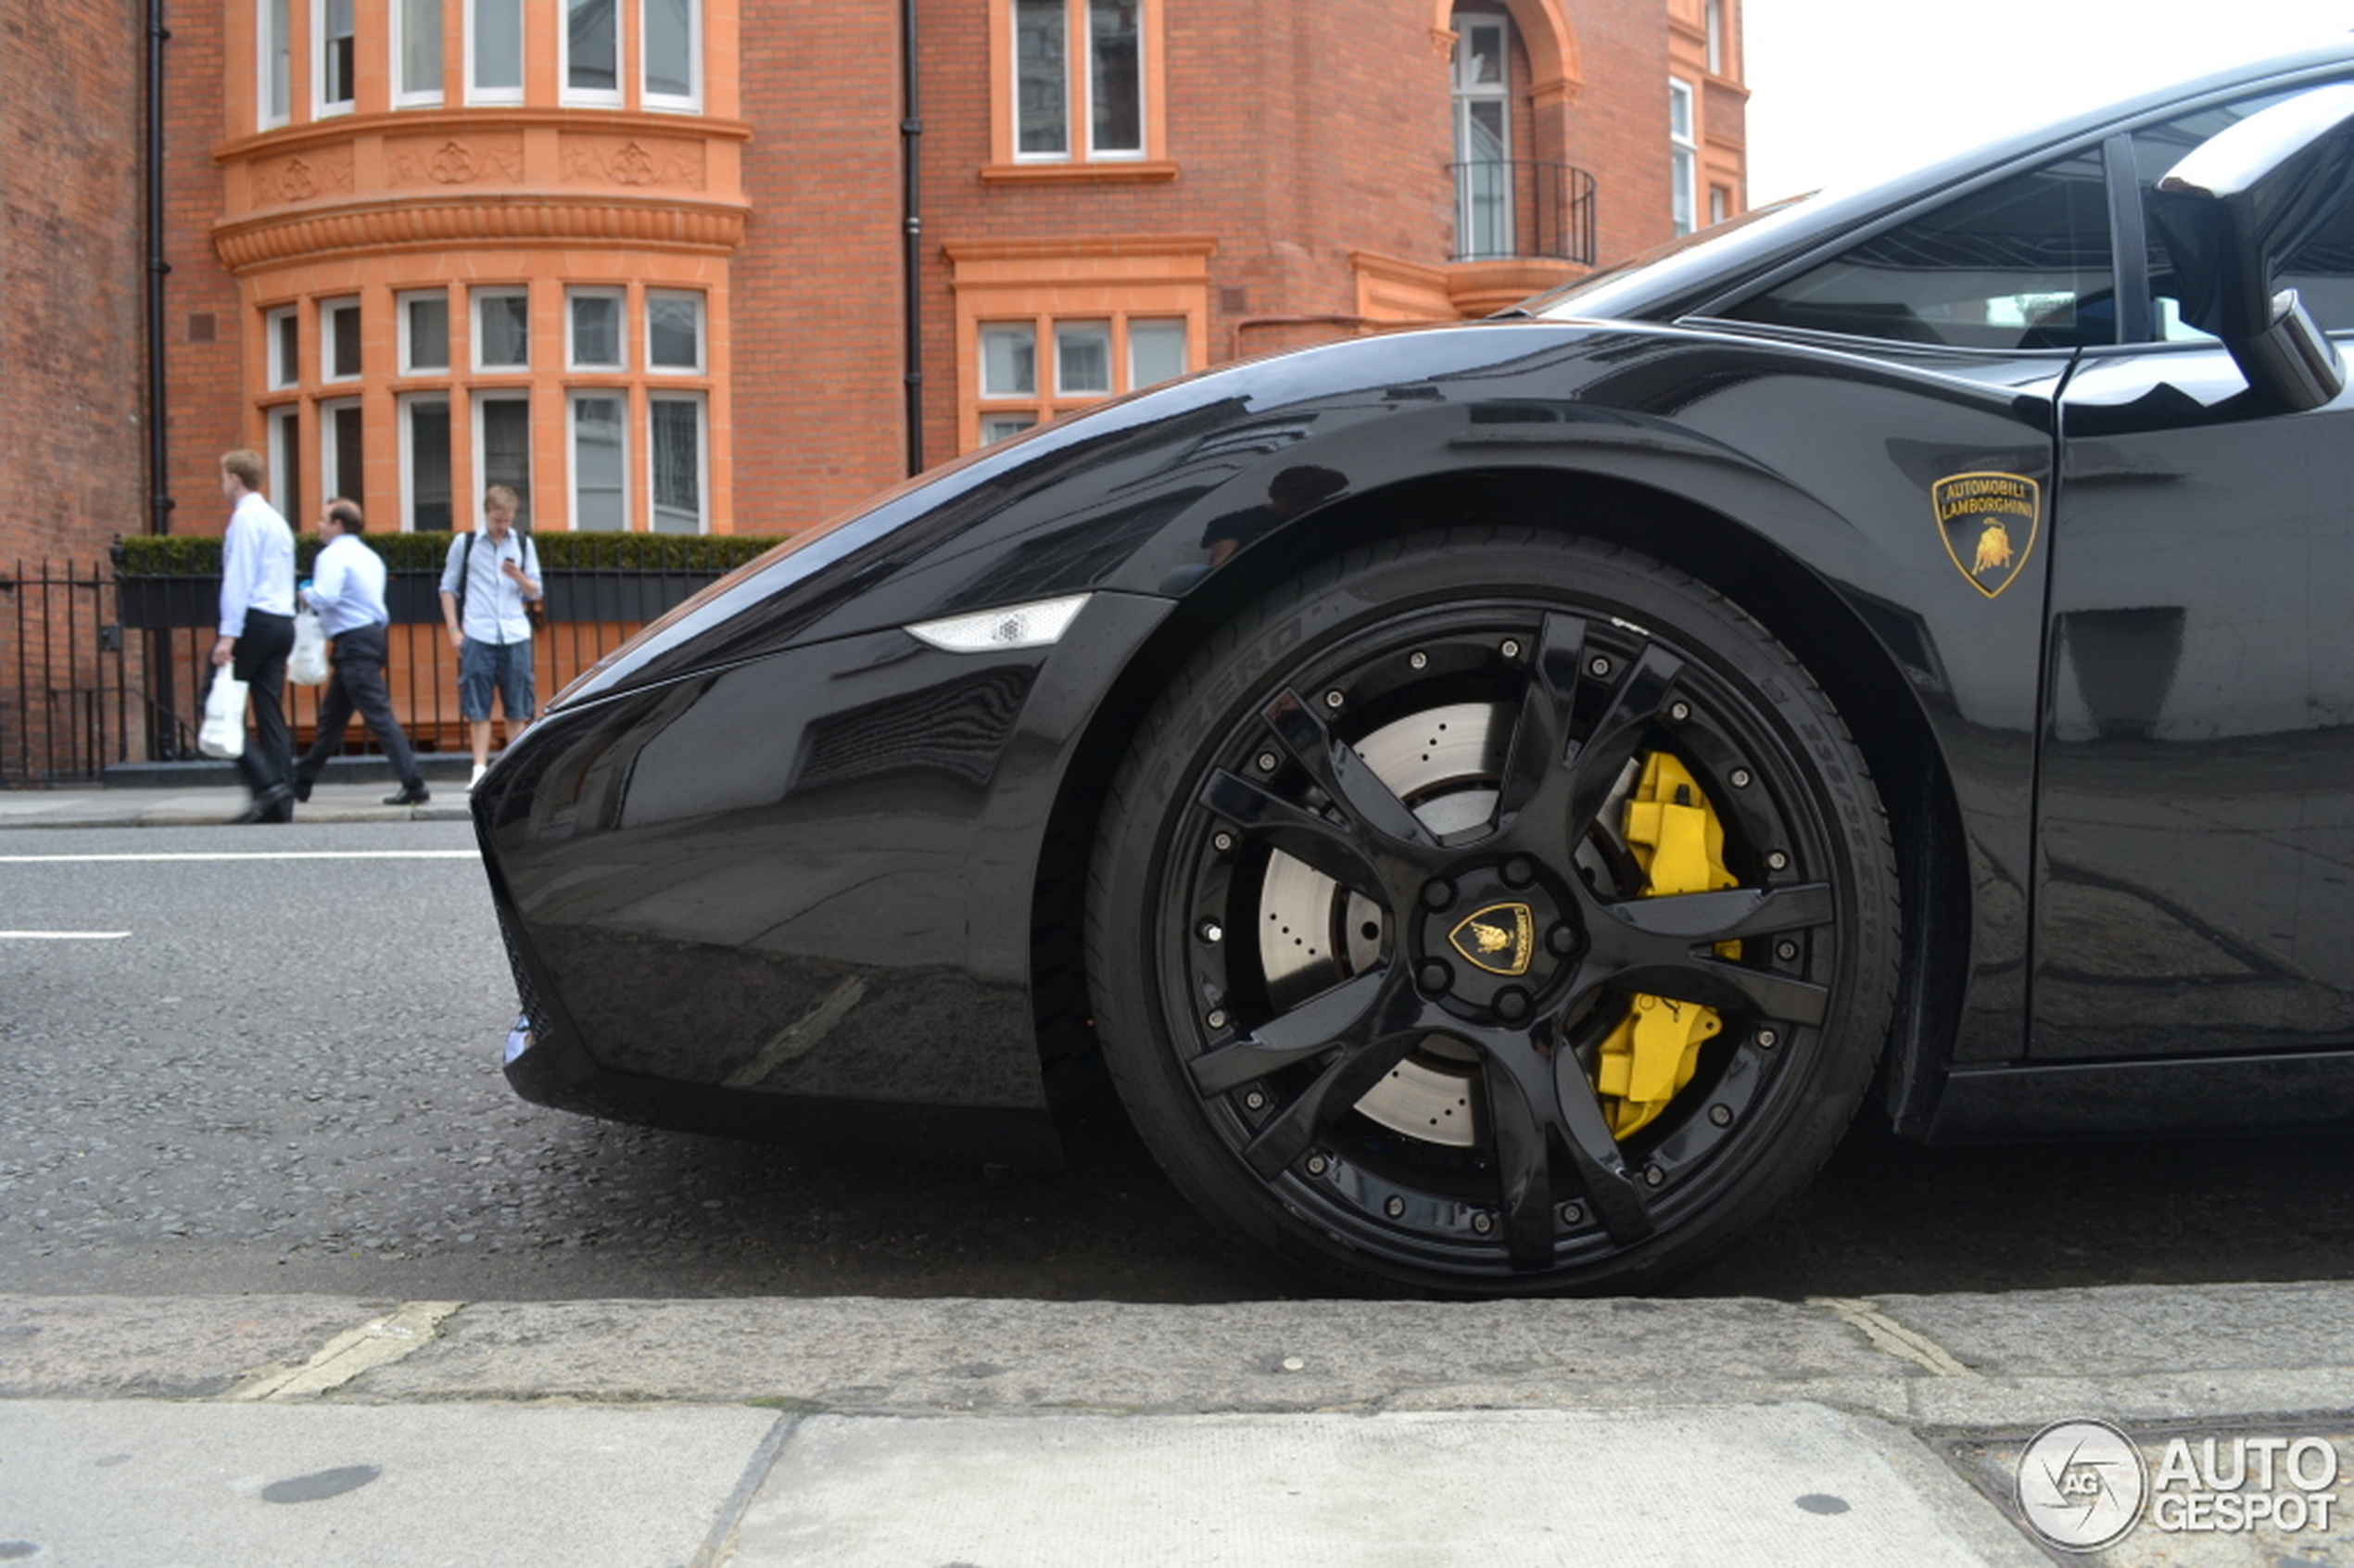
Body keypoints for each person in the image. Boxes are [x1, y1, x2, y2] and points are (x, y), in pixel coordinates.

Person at [290, 499, 431, 808]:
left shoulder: (332, 555)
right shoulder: (370, 557)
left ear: (338, 524)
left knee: (378, 716)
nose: (318, 525)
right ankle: (301, 781)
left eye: (323, 519)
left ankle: (414, 783)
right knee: (332, 719)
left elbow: (326, 597)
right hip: (367, 638)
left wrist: (304, 592)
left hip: (353, 641)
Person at [212, 449, 297, 824]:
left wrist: (227, 635)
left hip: (255, 621)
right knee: (268, 711)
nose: (222, 483)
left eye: (223, 476)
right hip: (282, 623)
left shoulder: (245, 519)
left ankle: (265, 786)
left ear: (234, 477)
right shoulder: (276, 520)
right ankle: (281, 802)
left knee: (214, 699)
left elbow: (239, 578)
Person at [438, 484, 543, 790]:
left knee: (519, 704)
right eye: (498, 520)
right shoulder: (466, 543)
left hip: (514, 632)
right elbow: (448, 587)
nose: (502, 526)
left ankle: (513, 768)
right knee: (476, 702)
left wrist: (518, 577)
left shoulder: (523, 544)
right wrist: (454, 631)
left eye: (507, 520)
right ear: (486, 513)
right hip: (479, 632)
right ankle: (480, 768)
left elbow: (536, 590)